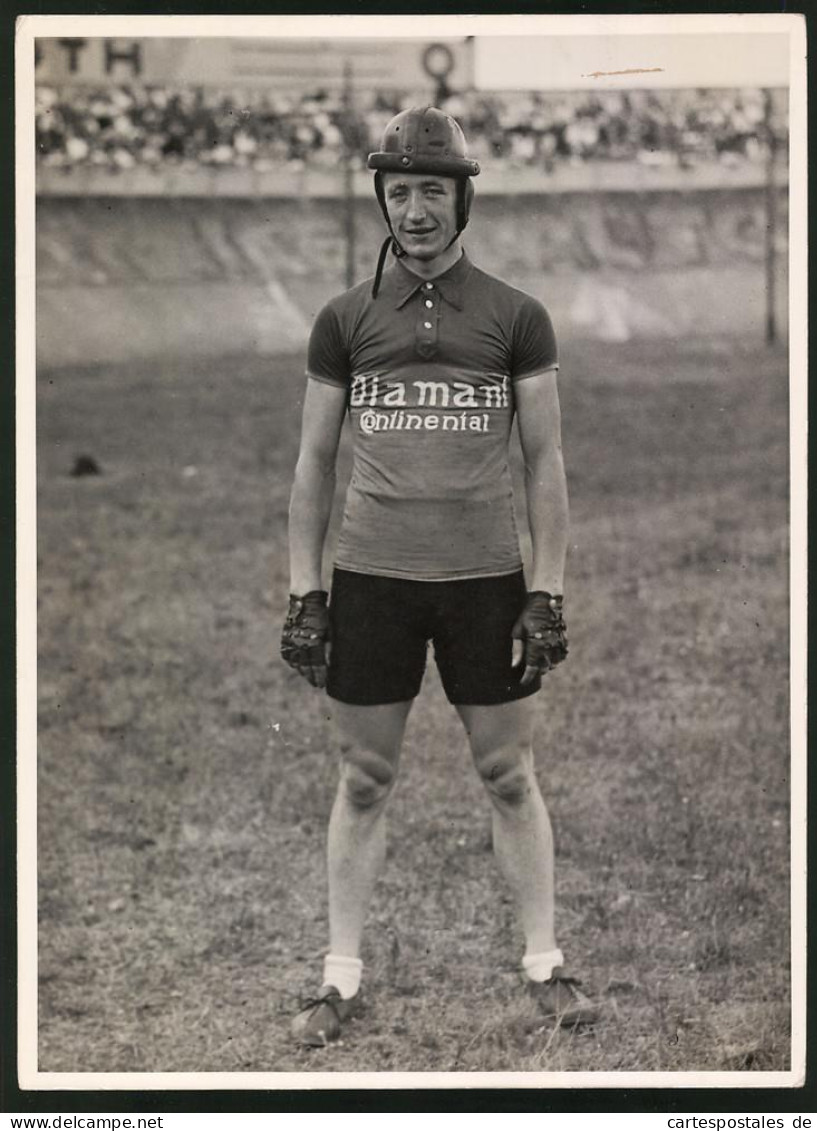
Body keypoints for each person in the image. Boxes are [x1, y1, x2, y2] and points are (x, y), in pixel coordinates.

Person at [281, 106, 597, 1047]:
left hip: (485, 579)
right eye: (399, 191)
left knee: (507, 771)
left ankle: (545, 962)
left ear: (462, 198)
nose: (415, 210)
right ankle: (340, 975)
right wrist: (307, 590)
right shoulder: (344, 318)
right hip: (373, 577)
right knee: (365, 775)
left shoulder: (516, 315)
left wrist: (547, 590)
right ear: (381, 195)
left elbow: (544, 464)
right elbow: (312, 465)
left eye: (432, 190)